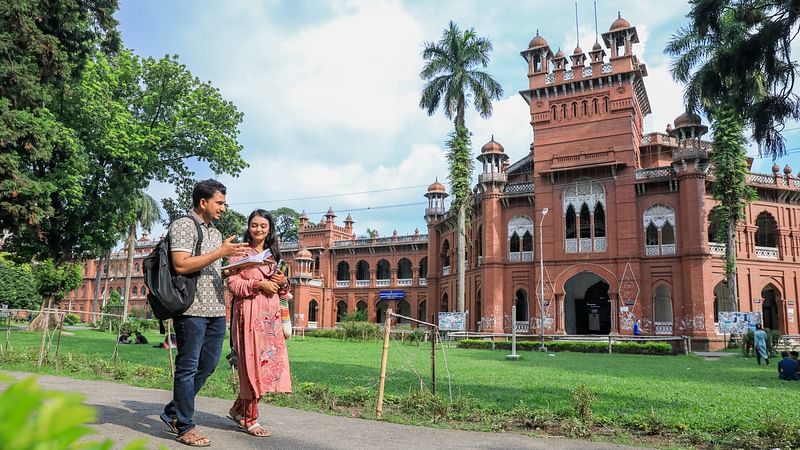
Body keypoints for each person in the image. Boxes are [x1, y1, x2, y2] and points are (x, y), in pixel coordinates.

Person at [159, 179, 248, 447]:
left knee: (207, 365)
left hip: (215, 309)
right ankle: (185, 425)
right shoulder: (185, 225)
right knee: (187, 368)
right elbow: (182, 264)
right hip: (191, 308)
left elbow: (210, 268)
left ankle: (172, 411)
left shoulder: (215, 232)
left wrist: (233, 267)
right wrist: (222, 252)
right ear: (203, 202)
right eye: (220, 202)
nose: (224, 207)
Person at [225, 209, 292, 438]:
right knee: (251, 366)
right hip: (248, 316)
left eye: (263, 225)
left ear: (269, 229)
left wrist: (283, 282)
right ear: (249, 226)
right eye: (254, 225)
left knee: (265, 366)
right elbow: (232, 283)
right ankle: (250, 419)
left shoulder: (273, 254)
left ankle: (237, 410)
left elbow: (283, 290)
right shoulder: (239, 253)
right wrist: (258, 285)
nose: (258, 229)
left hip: (270, 319)